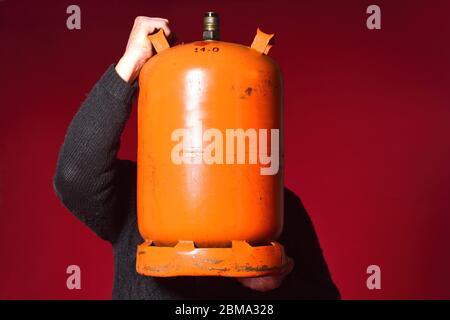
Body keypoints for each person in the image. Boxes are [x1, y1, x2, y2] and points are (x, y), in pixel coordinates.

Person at [53, 16, 340, 300]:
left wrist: (278, 286)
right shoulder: (139, 197)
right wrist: (130, 63)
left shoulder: (281, 210)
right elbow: (74, 174)